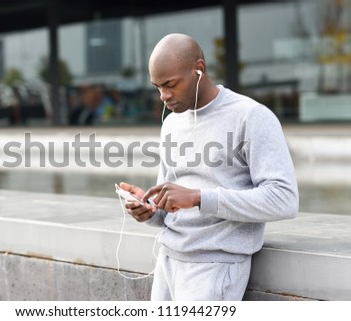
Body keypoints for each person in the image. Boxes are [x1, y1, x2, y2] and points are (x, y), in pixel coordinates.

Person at [120, 33, 298, 301]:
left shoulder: (252, 117)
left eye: (170, 84)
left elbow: (284, 199)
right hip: (168, 261)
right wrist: (149, 210)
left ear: (199, 70)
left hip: (215, 268)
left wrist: (199, 197)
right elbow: (170, 210)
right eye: (157, 87)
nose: (163, 96)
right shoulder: (172, 123)